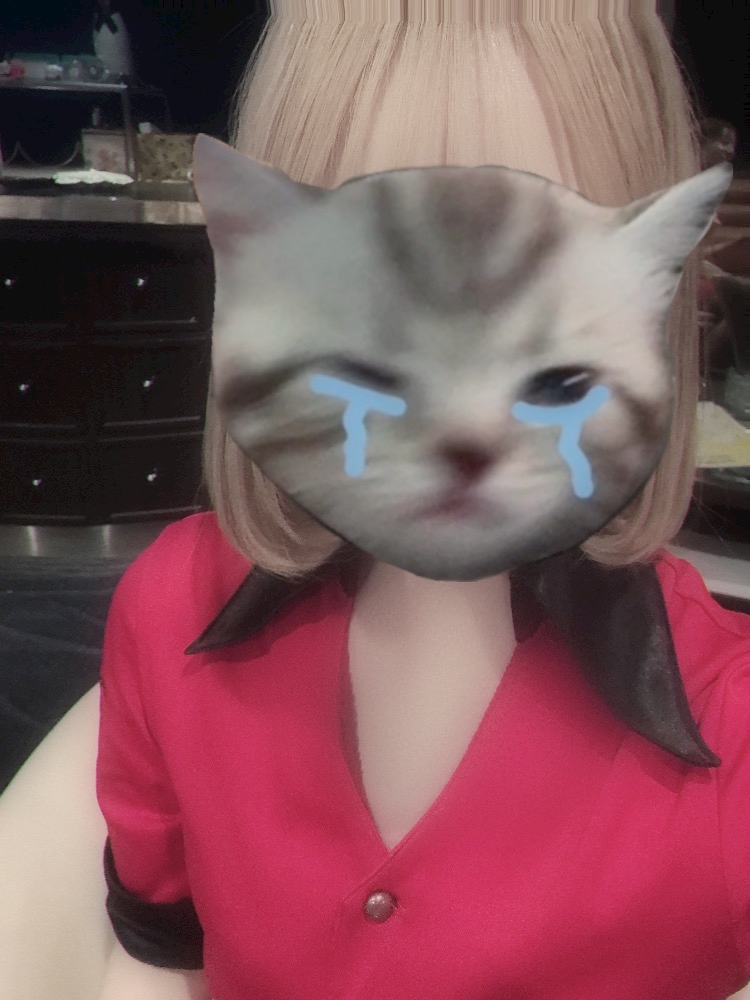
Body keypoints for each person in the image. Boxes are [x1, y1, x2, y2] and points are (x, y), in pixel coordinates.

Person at [96, 3, 750, 999]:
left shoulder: (731, 727)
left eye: (548, 361)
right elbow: (154, 964)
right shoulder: (168, 611)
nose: (464, 439)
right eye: (378, 343)